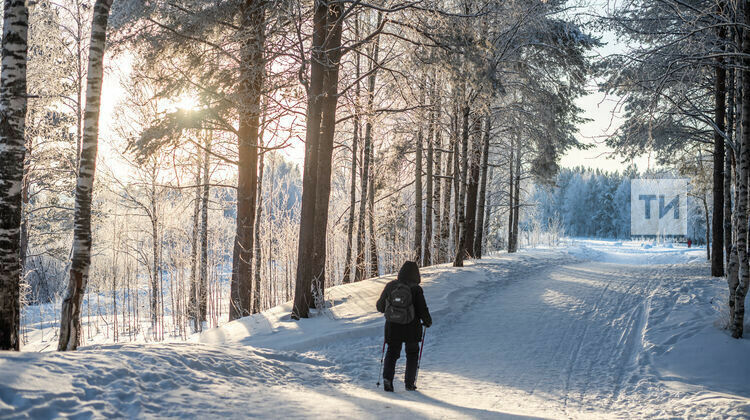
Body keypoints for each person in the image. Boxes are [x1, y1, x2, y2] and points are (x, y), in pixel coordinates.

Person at [376, 261, 432, 392]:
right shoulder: (416, 289)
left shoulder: (390, 286)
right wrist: (427, 321)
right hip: (411, 328)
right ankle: (409, 383)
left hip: (392, 326)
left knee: (392, 352)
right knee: (412, 354)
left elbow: (380, 307)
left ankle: (387, 379)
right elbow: (422, 309)